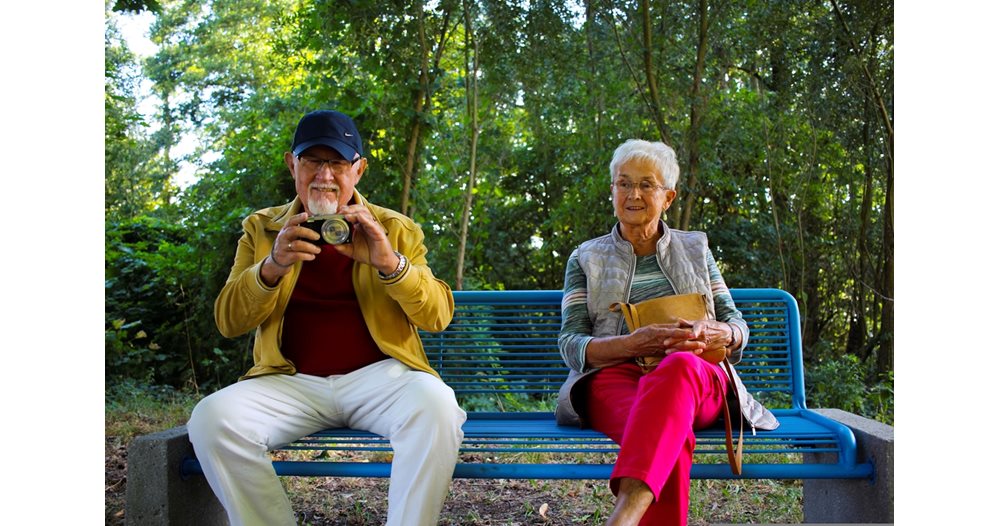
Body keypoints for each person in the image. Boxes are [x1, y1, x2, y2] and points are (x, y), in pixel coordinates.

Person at [187, 109, 466, 526]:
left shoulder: (394, 227)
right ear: (292, 164)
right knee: (212, 419)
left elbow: (438, 315)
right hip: (290, 381)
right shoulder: (263, 228)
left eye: (337, 162)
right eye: (313, 161)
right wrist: (271, 266)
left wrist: (390, 262)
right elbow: (229, 320)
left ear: (359, 169)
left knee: (438, 407)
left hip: (381, 380)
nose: (325, 175)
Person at [554, 139, 778, 526]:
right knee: (666, 435)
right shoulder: (585, 257)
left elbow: (737, 324)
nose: (633, 194)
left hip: (696, 376)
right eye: (623, 184)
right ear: (612, 191)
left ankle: (622, 518)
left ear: (669, 197)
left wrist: (718, 332)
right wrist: (631, 344)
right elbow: (571, 344)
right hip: (614, 377)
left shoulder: (696, 248)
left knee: (677, 369)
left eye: (646, 185)